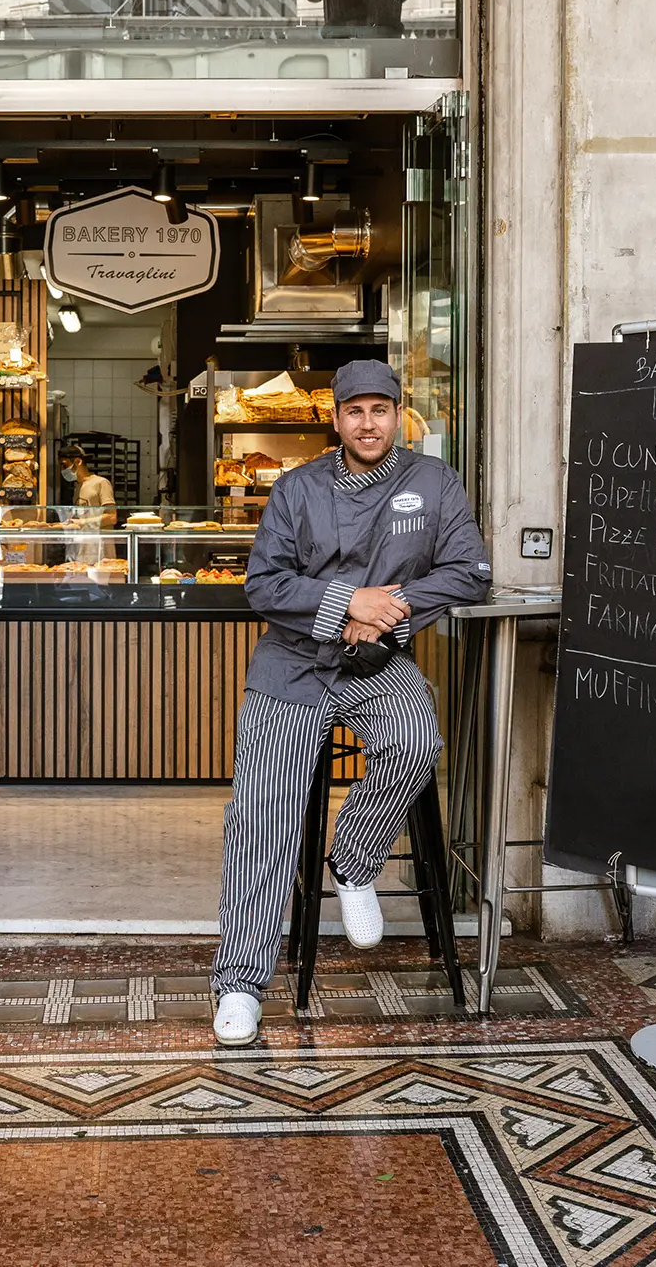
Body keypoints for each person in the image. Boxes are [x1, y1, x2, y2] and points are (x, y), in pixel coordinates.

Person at [211, 359, 491, 1046]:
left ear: (401, 415)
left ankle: (356, 857)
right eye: (355, 411)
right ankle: (241, 983)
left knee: (417, 740)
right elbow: (263, 585)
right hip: (292, 666)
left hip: (379, 660)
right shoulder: (296, 488)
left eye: (381, 410)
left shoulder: (433, 482)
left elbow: (471, 571)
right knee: (261, 813)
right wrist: (346, 603)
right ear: (334, 419)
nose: (369, 423)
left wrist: (388, 610)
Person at [59, 443, 117, 528]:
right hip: (85, 540)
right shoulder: (78, 487)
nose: (62, 470)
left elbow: (111, 517)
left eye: (64, 465)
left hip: (100, 541)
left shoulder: (101, 483)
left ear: (78, 462)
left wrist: (81, 522)